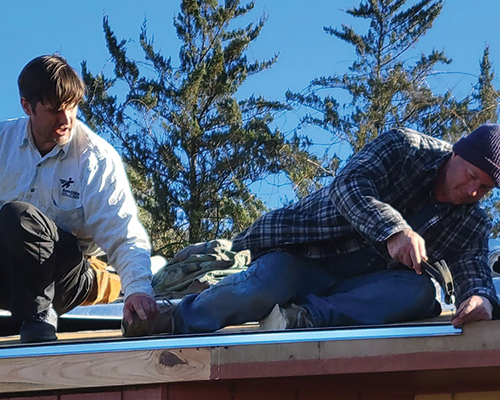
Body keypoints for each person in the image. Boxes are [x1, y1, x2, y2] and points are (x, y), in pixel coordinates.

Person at [124, 125, 500, 336]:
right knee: (257, 289)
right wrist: (394, 230)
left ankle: (300, 318)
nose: (472, 191)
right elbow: (348, 186)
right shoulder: (405, 147)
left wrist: (480, 300)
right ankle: (176, 318)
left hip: (359, 287)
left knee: (419, 292)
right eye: (471, 176)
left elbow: (473, 270)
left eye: (483, 188)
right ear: (457, 153)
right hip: (302, 255)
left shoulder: (471, 221)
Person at [0, 54, 159, 343]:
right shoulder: (2, 143)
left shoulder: (95, 159)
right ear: (27, 106)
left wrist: (138, 290)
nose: (66, 119)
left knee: (19, 216)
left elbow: (122, 231)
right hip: (9, 274)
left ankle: (38, 320)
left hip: (66, 277)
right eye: (54, 110)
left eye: (72, 107)